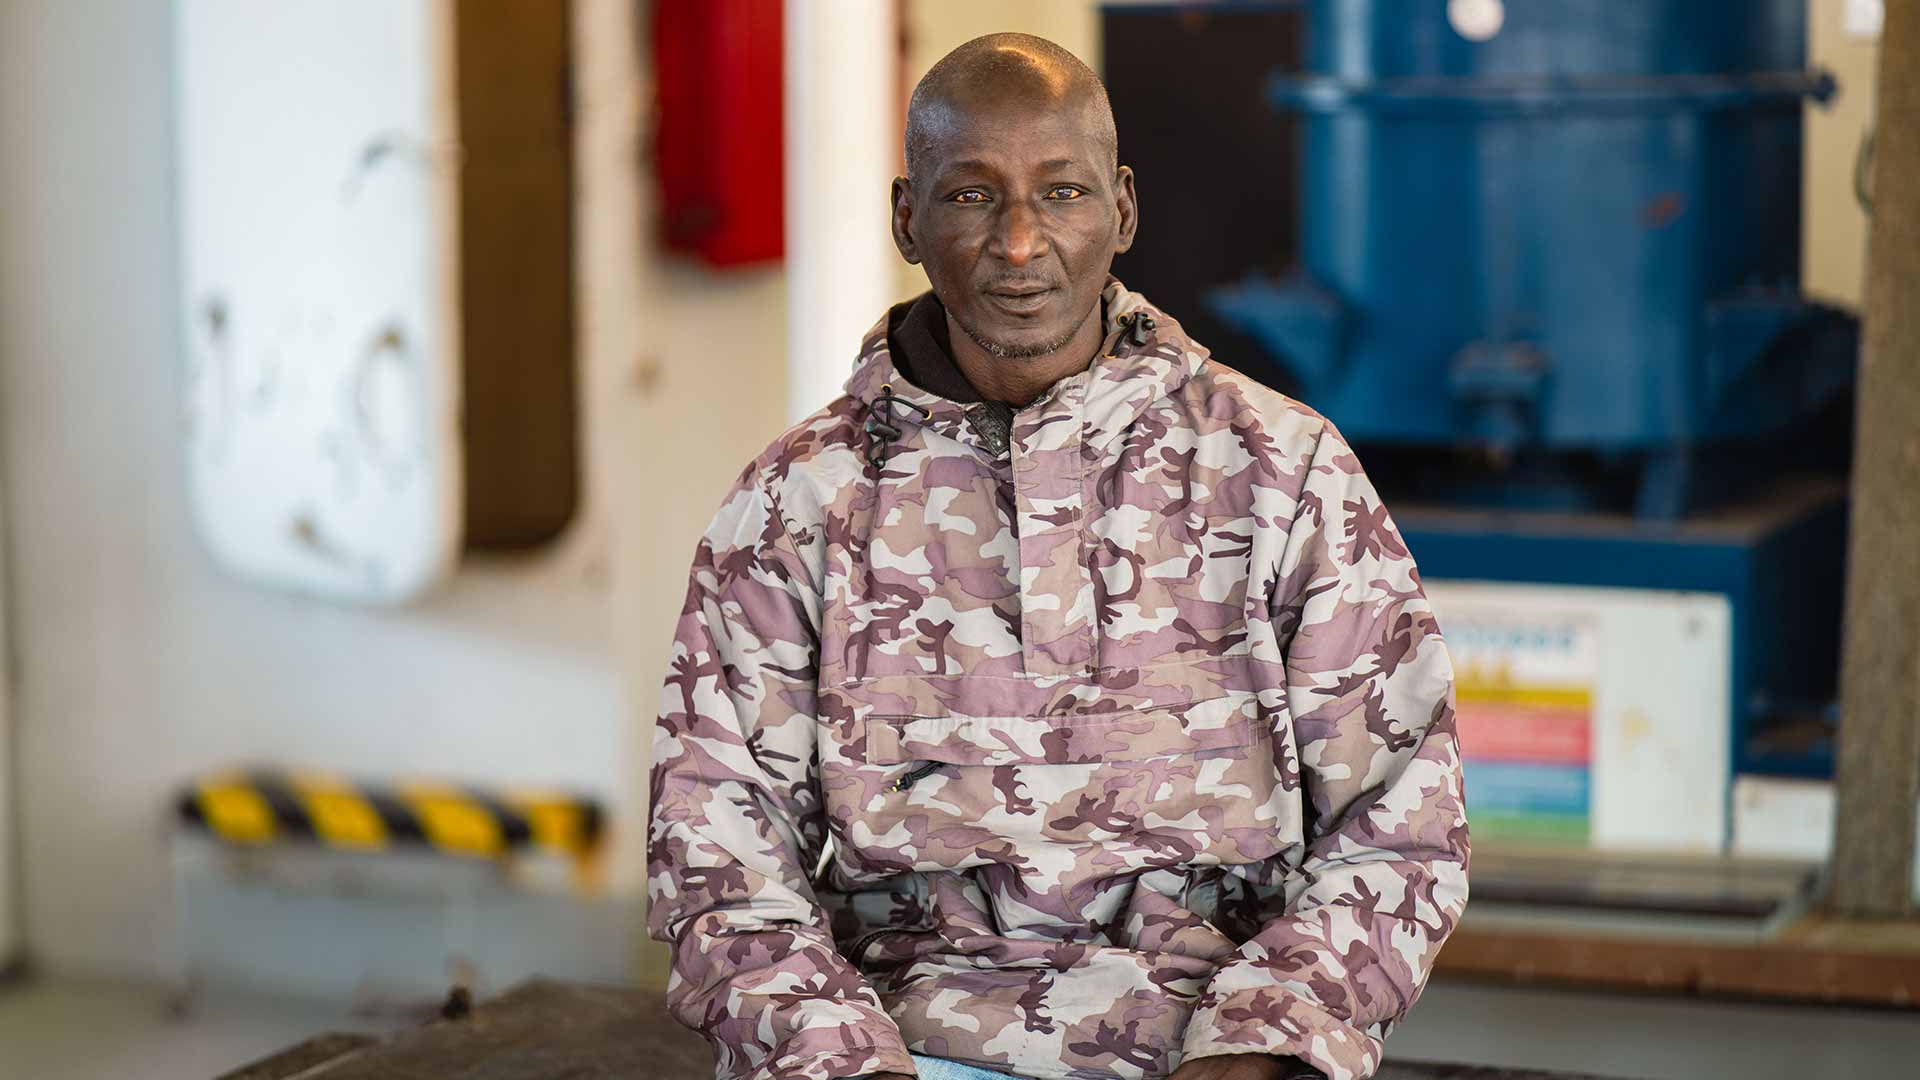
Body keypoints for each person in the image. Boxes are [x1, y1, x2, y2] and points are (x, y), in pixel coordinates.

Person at [645, 32, 1469, 1080]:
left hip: (1218, 1049)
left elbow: (1401, 825)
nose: (1021, 243)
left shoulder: (1280, 469)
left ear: (1122, 210)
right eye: (971, 196)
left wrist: (1267, 1040)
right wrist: (837, 1057)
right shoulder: (797, 502)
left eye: (1063, 193)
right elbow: (718, 859)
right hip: (899, 1050)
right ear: (908, 218)